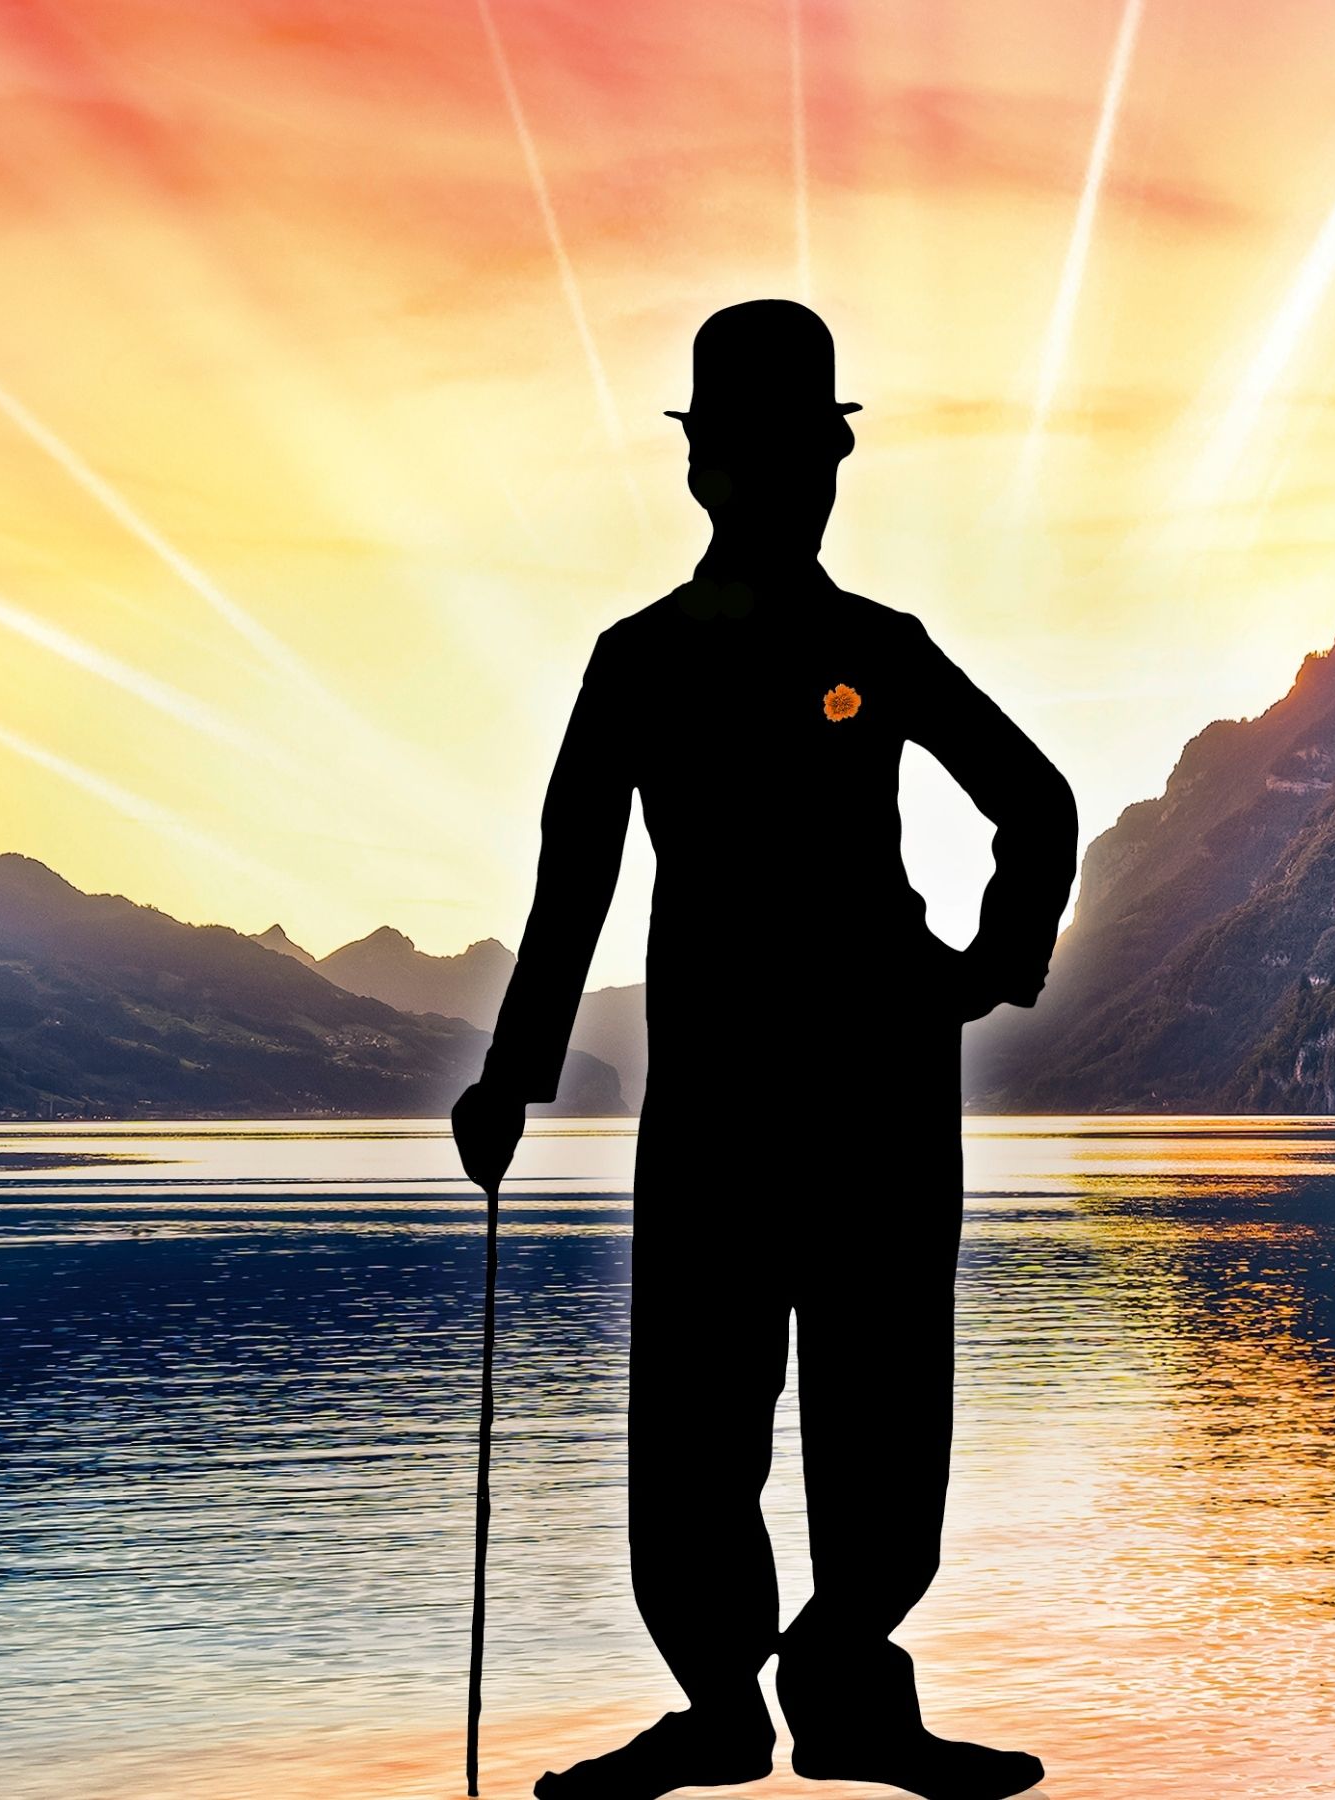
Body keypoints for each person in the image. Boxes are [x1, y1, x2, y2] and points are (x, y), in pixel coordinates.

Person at [451, 299, 1077, 1800]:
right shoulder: (841, 652)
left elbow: (575, 887)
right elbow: (1034, 810)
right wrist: (981, 974)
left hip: (756, 1090)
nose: (807, 478)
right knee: (813, 1403)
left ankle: (766, 1701)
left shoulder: (652, 662)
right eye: (801, 451)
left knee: (738, 1405)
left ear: (701, 470)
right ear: (776, 470)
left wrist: (519, 1075)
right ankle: (802, 1698)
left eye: (805, 452)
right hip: (847, 1084)